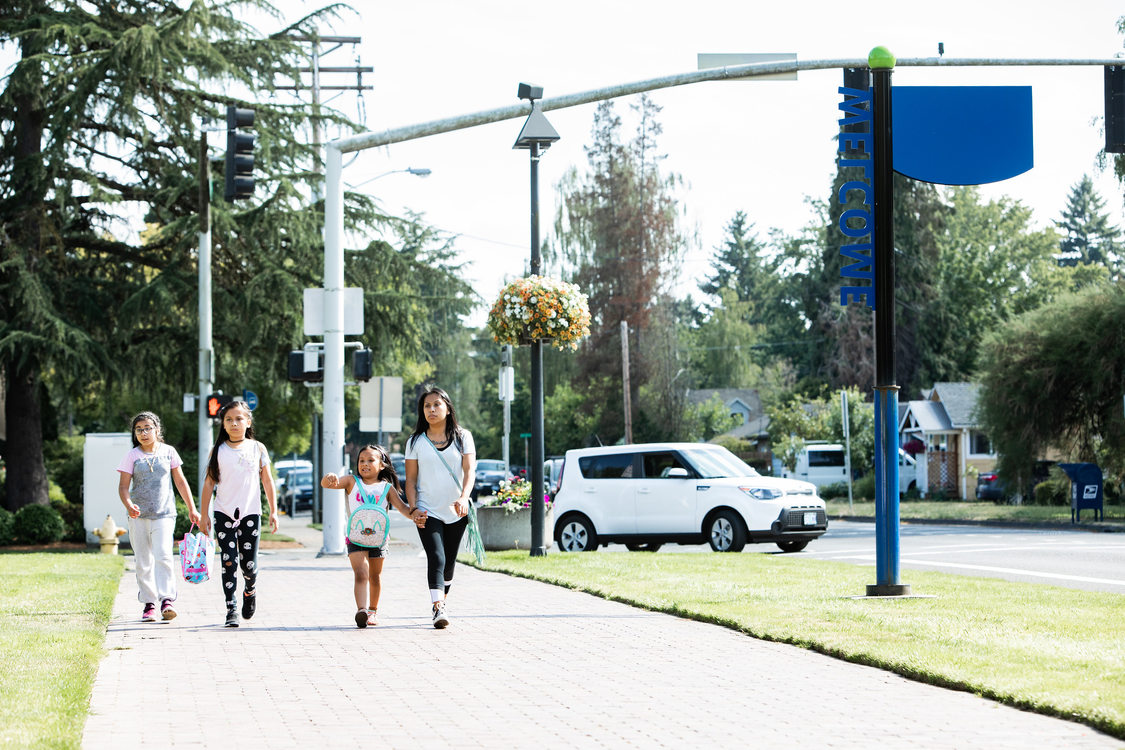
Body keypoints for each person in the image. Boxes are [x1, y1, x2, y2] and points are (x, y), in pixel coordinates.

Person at [198, 399, 278, 628]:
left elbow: (267, 480)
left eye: (239, 419)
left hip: (250, 514)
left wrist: (274, 511)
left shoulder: (257, 448)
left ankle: (250, 591)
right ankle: (231, 607)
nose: (234, 423)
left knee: (249, 565)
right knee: (229, 561)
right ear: (223, 424)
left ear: (248, 421)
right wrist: (204, 514)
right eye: (229, 420)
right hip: (223, 513)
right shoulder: (218, 451)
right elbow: (208, 484)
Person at [321, 444, 420, 628]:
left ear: (382, 465)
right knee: (361, 573)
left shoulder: (387, 488)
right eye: (361, 460)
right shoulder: (351, 482)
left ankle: (373, 611)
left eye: (370, 460)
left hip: (379, 539)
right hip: (355, 537)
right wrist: (329, 478)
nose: (364, 464)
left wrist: (415, 514)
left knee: (375, 576)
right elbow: (328, 484)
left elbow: (404, 509)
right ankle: (361, 610)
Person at [115, 411, 200, 622]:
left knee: (163, 556)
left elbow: (180, 482)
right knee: (143, 561)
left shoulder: (169, 452)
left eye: (147, 428)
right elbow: (124, 487)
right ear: (135, 433)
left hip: (164, 514)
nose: (144, 433)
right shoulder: (132, 456)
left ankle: (167, 600)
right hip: (138, 517)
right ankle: (149, 604)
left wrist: (192, 508)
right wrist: (129, 505)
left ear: (157, 430)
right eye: (139, 429)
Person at [404, 385, 477, 629]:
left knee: (449, 563)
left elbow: (469, 471)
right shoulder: (415, 442)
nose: (431, 409)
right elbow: (411, 481)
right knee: (436, 556)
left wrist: (464, 497)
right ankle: (438, 608)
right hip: (428, 510)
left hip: (457, 511)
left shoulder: (463, 437)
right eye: (427, 406)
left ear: (447, 408)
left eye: (437, 405)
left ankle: (441, 602)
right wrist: (414, 508)